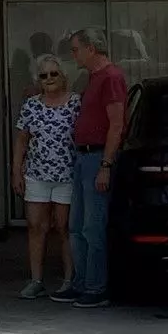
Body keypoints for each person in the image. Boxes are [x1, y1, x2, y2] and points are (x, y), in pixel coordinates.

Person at [63, 27, 130, 306]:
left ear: (92, 49)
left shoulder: (111, 77)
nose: (73, 54)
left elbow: (117, 123)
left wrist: (106, 164)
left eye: (76, 49)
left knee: (93, 225)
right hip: (81, 156)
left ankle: (96, 287)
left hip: (96, 157)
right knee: (76, 225)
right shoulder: (91, 78)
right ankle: (80, 282)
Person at [10, 54, 78, 298]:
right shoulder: (31, 105)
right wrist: (16, 171)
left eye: (53, 74)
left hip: (67, 175)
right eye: (43, 75)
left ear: (63, 76)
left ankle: (70, 279)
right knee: (36, 227)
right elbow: (21, 140)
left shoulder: (75, 103)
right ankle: (36, 279)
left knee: (65, 227)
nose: (49, 79)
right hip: (36, 175)